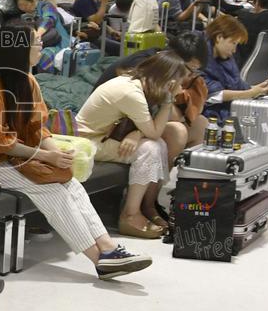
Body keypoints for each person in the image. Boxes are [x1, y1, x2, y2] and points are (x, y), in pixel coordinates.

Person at [0, 23, 151, 280]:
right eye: (36, 43)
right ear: (20, 50)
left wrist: (59, 153)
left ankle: (109, 248)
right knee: (51, 191)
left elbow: (39, 129)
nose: (41, 47)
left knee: (70, 182)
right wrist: (46, 156)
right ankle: (99, 260)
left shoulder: (28, 81)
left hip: (14, 157)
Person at [77, 52, 192, 237]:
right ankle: (130, 215)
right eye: (179, 84)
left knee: (162, 141)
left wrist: (137, 133)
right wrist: (168, 100)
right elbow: (153, 132)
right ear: (169, 82)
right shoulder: (131, 93)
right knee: (151, 148)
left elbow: (152, 127)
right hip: (90, 141)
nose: (180, 90)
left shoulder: (139, 84)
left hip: (107, 136)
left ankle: (148, 205)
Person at [201, 14, 268, 121]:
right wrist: (251, 92)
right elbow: (212, 94)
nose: (234, 50)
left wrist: (260, 89)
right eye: (233, 43)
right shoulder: (197, 56)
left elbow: (237, 85)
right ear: (219, 37)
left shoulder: (225, 57)